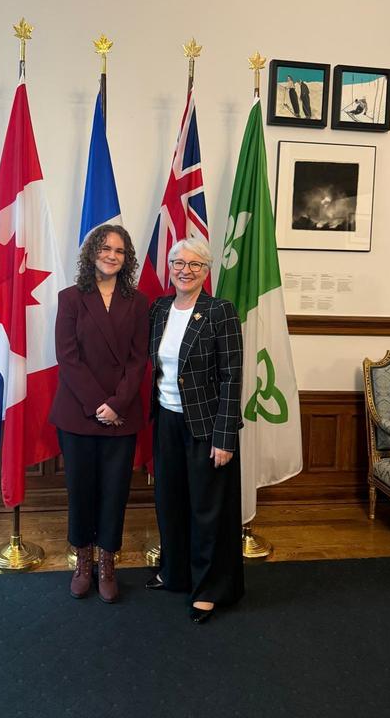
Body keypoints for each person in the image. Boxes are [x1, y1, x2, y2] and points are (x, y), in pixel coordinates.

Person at [145, 237, 244, 623]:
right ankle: (175, 573)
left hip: (206, 427)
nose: (185, 270)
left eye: (195, 264)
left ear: (206, 270)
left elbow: (232, 377)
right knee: (169, 501)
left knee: (206, 509)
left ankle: (208, 588)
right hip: (166, 420)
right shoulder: (159, 309)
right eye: (178, 263)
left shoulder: (220, 311)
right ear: (170, 267)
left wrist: (224, 437)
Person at [50, 224, 149, 603]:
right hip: (78, 413)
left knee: (115, 491)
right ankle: (83, 561)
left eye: (120, 251)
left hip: (121, 415)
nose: (112, 255)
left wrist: (117, 405)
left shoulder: (138, 302)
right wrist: (98, 405)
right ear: (92, 252)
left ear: (127, 259)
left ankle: (107, 562)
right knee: (80, 490)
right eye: (105, 248)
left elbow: (138, 360)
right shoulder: (70, 298)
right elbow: (67, 357)